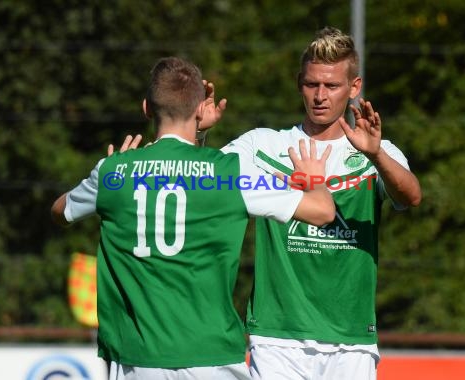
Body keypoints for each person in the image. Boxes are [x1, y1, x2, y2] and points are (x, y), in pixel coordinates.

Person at [50, 57, 335, 380]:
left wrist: (108, 172)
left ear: (146, 108)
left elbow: (60, 211)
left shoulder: (114, 173)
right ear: (200, 109)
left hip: (138, 360)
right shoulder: (230, 174)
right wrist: (314, 179)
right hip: (212, 357)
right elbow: (323, 212)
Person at [219, 27, 422, 380]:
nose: (320, 96)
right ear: (300, 83)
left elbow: (411, 196)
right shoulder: (263, 146)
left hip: (351, 340)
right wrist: (198, 135)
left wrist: (375, 155)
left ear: (354, 88)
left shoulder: (376, 152)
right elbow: (202, 179)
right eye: (312, 84)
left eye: (332, 86)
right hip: (276, 336)